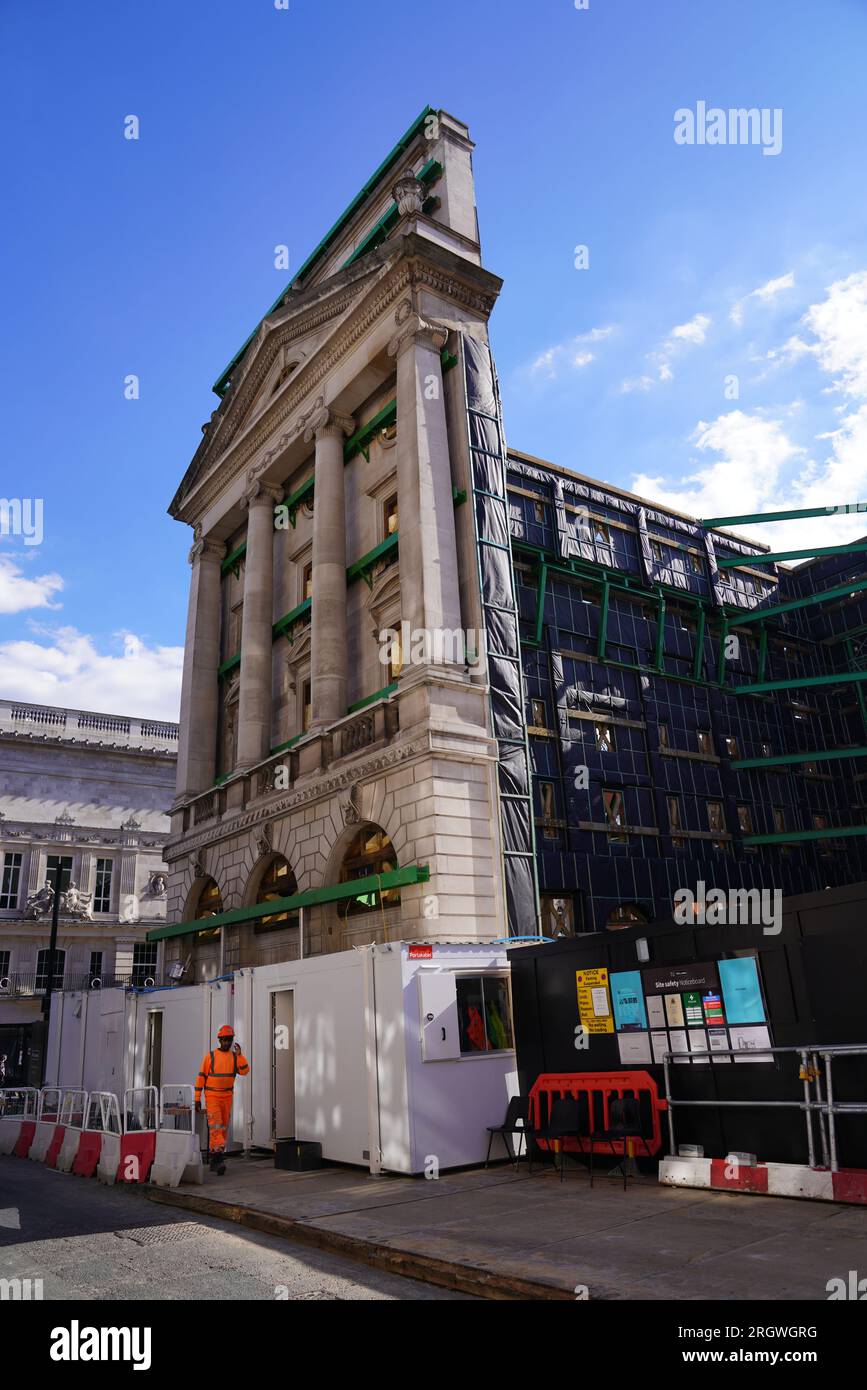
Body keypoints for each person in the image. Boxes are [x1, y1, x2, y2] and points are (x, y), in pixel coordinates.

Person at [195, 1025, 250, 1174]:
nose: (227, 1043)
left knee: (222, 1129)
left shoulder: (234, 1057)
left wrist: (240, 1055)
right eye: (224, 1040)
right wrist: (197, 1099)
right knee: (216, 1127)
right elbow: (201, 1078)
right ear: (219, 1040)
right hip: (212, 1096)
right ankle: (219, 1160)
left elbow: (245, 1071)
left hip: (227, 1097)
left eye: (229, 1040)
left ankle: (215, 1159)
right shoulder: (210, 1057)